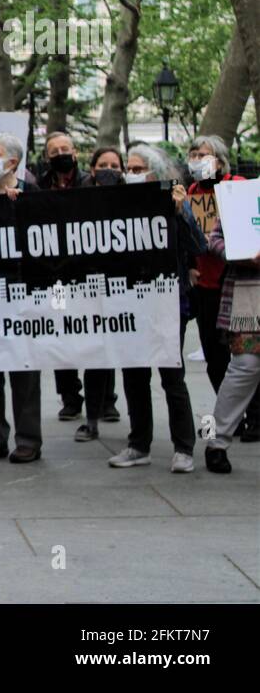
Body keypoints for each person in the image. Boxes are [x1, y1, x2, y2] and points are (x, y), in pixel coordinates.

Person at [107, 143, 203, 472]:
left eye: (137, 170)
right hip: (130, 301)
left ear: (154, 172)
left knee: (171, 376)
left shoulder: (173, 201)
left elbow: (197, 246)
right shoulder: (119, 204)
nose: (130, 175)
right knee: (134, 375)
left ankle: (184, 447)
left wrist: (179, 213)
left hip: (165, 303)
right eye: (128, 170)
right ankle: (138, 445)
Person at [0, 132, 43, 463]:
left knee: (24, 369)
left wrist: (23, 211)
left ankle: (28, 439)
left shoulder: (32, 195)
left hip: (22, 295)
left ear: (12, 162)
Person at [187, 134, 260, 442]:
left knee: (246, 363)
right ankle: (228, 426)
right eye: (194, 154)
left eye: (204, 154)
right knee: (220, 360)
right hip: (212, 286)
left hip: (242, 289)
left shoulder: (239, 187)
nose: (198, 160)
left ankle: (252, 420)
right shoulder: (189, 192)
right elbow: (211, 238)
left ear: (219, 159)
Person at [71, 147, 125, 443]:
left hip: (126, 290)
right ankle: (91, 419)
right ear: (91, 170)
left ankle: (115, 409)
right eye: (102, 165)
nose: (108, 169)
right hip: (91, 290)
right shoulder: (80, 201)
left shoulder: (134, 201)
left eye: (114, 165)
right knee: (95, 355)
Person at [203, 208, 260, 474]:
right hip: (248, 301)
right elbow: (214, 240)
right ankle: (214, 441)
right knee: (242, 369)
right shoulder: (243, 199)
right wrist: (243, 255)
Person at [35, 131, 87, 419]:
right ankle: (70, 396)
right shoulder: (38, 186)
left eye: (64, 149)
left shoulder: (90, 182)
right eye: (53, 151)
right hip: (55, 275)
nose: (60, 154)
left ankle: (104, 398)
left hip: (86, 272)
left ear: (75, 152)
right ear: (46, 158)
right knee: (60, 335)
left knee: (98, 330)